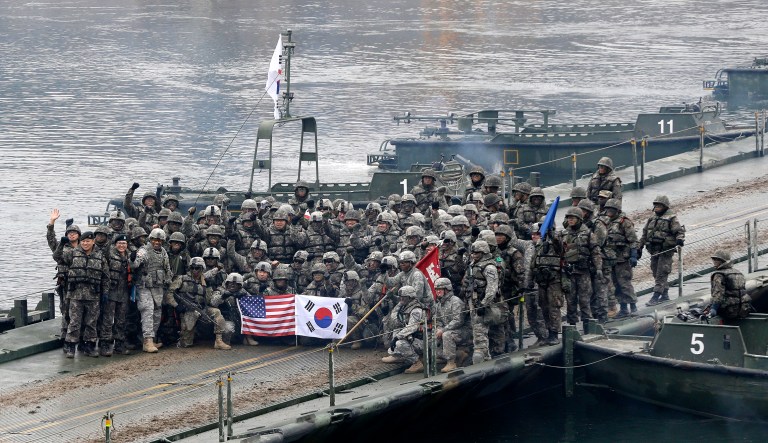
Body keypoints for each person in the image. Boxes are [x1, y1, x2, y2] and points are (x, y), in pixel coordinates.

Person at [54, 231, 110, 358]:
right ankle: (70, 346)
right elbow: (57, 257)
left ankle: (89, 346)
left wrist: (105, 292)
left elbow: (106, 277)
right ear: (81, 242)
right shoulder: (73, 253)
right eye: (83, 241)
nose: (85, 243)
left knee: (91, 322)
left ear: (93, 242)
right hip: (76, 295)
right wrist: (61, 245)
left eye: (88, 241)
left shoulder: (100, 256)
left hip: (93, 295)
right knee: (74, 322)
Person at [170, 257, 231, 349]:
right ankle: (184, 338)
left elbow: (210, 300)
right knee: (186, 343)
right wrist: (176, 305)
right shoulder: (182, 279)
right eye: (192, 268)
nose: (194, 270)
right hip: (188, 310)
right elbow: (169, 293)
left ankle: (219, 341)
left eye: (197, 268)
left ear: (202, 268)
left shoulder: (205, 281)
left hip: (202, 308)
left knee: (216, 312)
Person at [130, 228, 172, 353]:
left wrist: (168, 280)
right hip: (144, 286)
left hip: (158, 286)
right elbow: (135, 264)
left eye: (159, 240)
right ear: (151, 239)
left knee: (157, 313)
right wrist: (132, 259)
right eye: (154, 239)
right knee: (148, 310)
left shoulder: (163, 252)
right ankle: (148, 340)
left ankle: (150, 339)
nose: (157, 242)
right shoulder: (144, 250)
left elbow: (167, 268)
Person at [640, 195, 686, 306]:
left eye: (659, 206)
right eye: (655, 205)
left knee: (661, 273)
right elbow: (645, 234)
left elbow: (679, 232)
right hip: (654, 251)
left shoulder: (671, 218)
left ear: (665, 206)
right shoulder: (652, 219)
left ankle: (655, 297)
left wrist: (679, 239)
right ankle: (665, 295)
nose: (656, 208)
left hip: (665, 251)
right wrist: (639, 247)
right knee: (656, 273)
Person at [561, 207, 603, 327]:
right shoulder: (563, 234)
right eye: (568, 218)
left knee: (585, 300)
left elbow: (595, 252)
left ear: (579, 219)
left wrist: (598, 268)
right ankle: (572, 327)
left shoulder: (588, 234)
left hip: (583, 272)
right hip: (569, 273)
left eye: (572, 218)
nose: (570, 220)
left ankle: (587, 326)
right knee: (570, 301)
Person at [466, 240, 502, 364]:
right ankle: (483, 354)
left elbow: (492, 288)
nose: (473, 255)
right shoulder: (473, 265)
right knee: (476, 329)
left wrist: (484, 304)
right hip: (473, 301)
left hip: (483, 304)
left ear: (484, 253)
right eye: (473, 253)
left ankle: (483, 356)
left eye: (477, 253)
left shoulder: (489, 267)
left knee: (480, 330)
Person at [603, 199, 639, 318]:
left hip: (623, 259)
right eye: (607, 209)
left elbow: (633, 240)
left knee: (625, 283)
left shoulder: (625, 222)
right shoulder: (606, 222)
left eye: (611, 209)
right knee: (615, 285)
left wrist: (633, 255)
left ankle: (633, 306)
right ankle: (623, 308)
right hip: (611, 259)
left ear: (617, 210)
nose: (608, 211)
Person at [530, 224, 565, 345]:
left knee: (554, 307)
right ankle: (548, 331)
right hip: (541, 280)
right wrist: (531, 277)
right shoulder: (540, 243)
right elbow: (534, 261)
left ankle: (554, 334)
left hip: (554, 280)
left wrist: (551, 234)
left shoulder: (556, 240)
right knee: (544, 307)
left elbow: (560, 246)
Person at [381, 286, 426, 374]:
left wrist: (397, 338)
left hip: (422, 340)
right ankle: (398, 355)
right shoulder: (406, 306)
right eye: (400, 297)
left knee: (400, 343)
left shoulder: (416, 309)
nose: (401, 299)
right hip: (414, 337)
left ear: (410, 298)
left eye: (403, 298)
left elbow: (412, 327)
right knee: (397, 329)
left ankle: (417, 363)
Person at [101, 234, 132, 356]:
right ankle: (105, 345)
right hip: (111, 291)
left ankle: (119, 344)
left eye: (124, 243)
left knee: (121, 320)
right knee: (108, 320)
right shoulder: (109, 254)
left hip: (124, 292)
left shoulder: (130, 255)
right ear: (115, 244)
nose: (121, 245)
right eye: (119, 243)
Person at [434, 278, 470, 372]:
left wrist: (443, 330)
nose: (438, 291)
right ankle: (457, 354)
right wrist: (438, 329)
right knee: (432, 336)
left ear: (447, 289)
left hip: (463, 331)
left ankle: (451, 362)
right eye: (436, 289)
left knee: (447, 335)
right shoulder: (439, 304)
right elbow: (438, 320)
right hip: (449, 329)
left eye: (440, 289)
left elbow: (458, 320)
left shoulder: (455, 301)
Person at [709, 250, 750, 322]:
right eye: (714, 259)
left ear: (723, 262)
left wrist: (714, 308)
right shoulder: (738, 272)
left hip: (729, 311)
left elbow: (718, 294)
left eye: (717, 260)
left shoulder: (719, 275)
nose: (714, 261)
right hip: (743, 309)